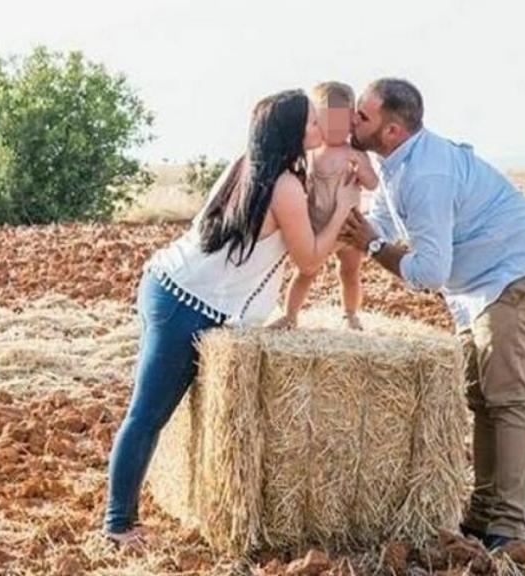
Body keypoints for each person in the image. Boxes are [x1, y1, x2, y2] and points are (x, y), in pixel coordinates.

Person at [104, 89, 361, 550]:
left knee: (150, 412)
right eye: (312, 123)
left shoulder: (249, 164)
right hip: (188, 303)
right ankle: (118, 526)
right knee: (148, 414)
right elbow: (308, 261)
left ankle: (123, 518)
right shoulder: (283, 186)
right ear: (292, 133)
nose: (321, 127)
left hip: (169, 286)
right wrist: (343, 206)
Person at [339, 78, 525, 550]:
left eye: (362, 115)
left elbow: (426, 270)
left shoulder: (426, 175)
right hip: (478, 286)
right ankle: (485, 516)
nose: (352, 121)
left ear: (393, 130)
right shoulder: (397, 167)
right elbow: (378, 218)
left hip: (514, 276)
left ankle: (510, 527)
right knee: (482, 397)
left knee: (508, 398)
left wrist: (374, 246)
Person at [269, 81, 378, 330]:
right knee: (306, 272)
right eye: (328, 122)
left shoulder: (356, 155)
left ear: (352, 119)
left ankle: (350, 314)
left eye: (342, 121)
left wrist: (363, 172)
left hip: (350, 228)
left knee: (349, 271)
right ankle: (290, 315)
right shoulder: (312, 154)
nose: (336, 129)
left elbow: (372, 184)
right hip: (316, 226)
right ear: (316, 121)